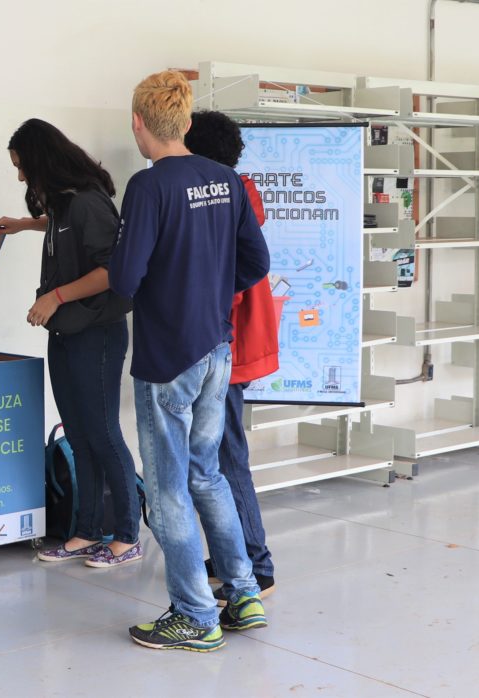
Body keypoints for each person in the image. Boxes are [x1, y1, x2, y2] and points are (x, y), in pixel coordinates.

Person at [108, 70, 272, 652]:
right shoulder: (225, 180)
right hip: (215, 349)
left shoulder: (148, 187)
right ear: (184, 122)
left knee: (169, 485)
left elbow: (125, 279)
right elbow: (256, 261)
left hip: (166, 357)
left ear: (138, 123)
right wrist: (207, 287)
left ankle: (195, 616)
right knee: (208, 474)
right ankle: (243, 592)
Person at [0, 119, 140, 568]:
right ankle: (87, 532)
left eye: (22, 168)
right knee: (78, 433)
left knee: (104, 433)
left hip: (97, 333)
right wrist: (22, 224)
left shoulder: (91, 203)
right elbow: (60, 225)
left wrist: (54, 297)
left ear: (43, 162)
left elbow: (112, 271)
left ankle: (127, 535)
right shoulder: (64, 204)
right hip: (67, 334)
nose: (20, 177)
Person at [183, 109, 280, 601]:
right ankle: (232, 555)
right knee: (219, 457)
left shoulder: (223, 200)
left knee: (226, 459)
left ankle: (255, 566)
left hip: (226, 344)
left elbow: (230, 281)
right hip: (233, 343)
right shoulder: (240, 193)